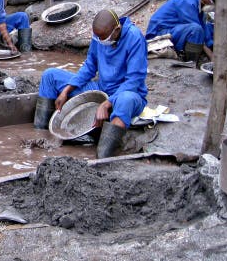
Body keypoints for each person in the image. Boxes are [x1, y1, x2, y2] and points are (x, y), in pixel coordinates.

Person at [34, 9, 148, 159]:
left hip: (127, 94)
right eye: (98, 38)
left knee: (125, 100)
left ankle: (101, 158)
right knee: (50, 76)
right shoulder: (99, 37)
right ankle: (41, 136)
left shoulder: (135, 38)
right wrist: (67, 90)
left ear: (117, 30)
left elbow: (134, 81)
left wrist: (107, 103)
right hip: (101, 89)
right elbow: (89, 66)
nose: (101, 42)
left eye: (103, 38)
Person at [146, 0, 216, 66]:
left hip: (173, 29)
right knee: (196, 30)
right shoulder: (188, 2)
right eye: (213, 0)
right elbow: (198, 29)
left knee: (207, 22)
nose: (213, 3)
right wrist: (212, 57)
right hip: (160, 33)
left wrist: (212, 45)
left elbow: (205, 26)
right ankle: (192, 62)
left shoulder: (198, 3)